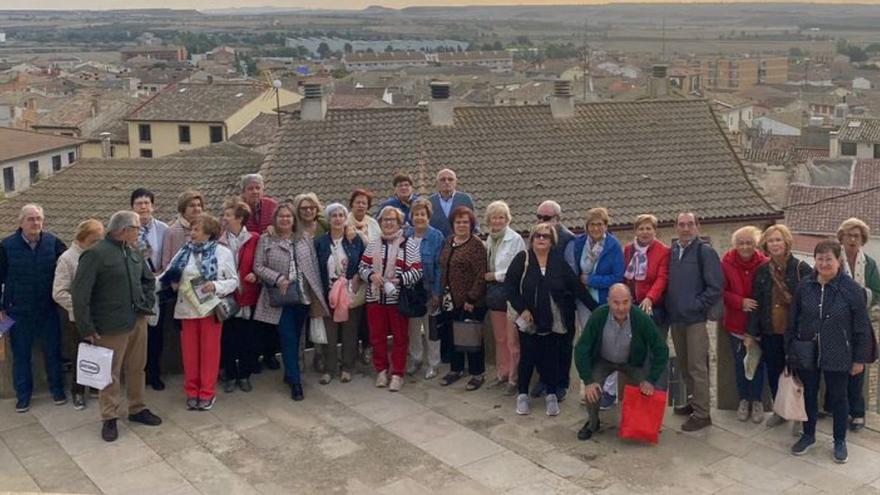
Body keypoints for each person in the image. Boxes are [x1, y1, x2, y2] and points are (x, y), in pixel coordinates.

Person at [72, 211, 161, 442]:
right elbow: (80, 295)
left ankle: (137, 408)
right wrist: (87, 327)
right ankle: (109, 417)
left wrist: (146, 302)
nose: (139, 232)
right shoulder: (95, 255)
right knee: (109, 374)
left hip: (137, 321)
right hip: (110, 326)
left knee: (137, 367)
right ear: (123, 229)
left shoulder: (133, 251)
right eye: (136, 228)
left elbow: (148, 280)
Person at [787, 240, 872, 464]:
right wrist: (791, 348)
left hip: (839, 352)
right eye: (820, 259)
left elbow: (862, 327)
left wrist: (859, 359)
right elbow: (793, 319)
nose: (824, 264)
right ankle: (808, 435)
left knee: (839, 398)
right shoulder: (805, 286)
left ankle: (839, 440)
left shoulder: (851, 289)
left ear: (839, 261)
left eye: (829, 259)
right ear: (814, 261)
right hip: (808, 351)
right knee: (809, 394)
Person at [506, 223, 598, 416]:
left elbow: (576, 287)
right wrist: (522, 309)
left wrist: (598, 309)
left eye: (545, 236)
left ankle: (551, 395)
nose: (541, 239)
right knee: (528, 358)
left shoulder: (557, 260)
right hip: (529, 320)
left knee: (550, 358)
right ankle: (522, 395)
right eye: (537, 235)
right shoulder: (522, 259)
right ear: (531, 239)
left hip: (553, 320)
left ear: (552, 241)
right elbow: (510, 288)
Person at [163, 213, 239, 410]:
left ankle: (207, 393)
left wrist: (214, 285)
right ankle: (191, 391)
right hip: (186, 310)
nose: (192, 233)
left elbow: (233, 281)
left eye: (196, 229)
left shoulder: (223, 253)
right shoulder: (183, 252)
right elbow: (167, 275)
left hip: (209, 310)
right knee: (189, 354)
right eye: (191, 230)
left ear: (208, 232)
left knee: (209, 353)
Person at [254, 203, 329, 401]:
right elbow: (258, 266)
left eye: (289, 216)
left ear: (294, 219)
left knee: (299, 337)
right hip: (281, 298)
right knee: (288, 338)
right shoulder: (266, 239)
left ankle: (291, 372)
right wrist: (277, 278)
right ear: (275, 220)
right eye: (281, 217)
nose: (285, 219)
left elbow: (312, 264)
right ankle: (296, 383)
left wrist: (317, 293)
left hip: (303, 296)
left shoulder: (304, 238)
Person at [575, 284, 668, 440]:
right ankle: (592, 423)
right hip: (604, 360)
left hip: (631, 362)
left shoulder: (641, 318)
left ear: (631, 301)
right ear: (608, 301)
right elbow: (581, 349)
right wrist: (588, 380)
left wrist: (650, 380)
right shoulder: (599, 315)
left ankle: (644, 424)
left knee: (649, 389)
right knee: (592, 390)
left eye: (625, 302)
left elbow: (661, 349)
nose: (621, 308)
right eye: (616, 303)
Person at [0, 204, 68, 413]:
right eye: (30, 219)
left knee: (53, 352)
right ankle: (23, 396)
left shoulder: (53, 242)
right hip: (18, 312)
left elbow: (69, 266)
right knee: (21, 356)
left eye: (38, 218)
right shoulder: (6, 246)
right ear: (21, 223)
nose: (35, 223)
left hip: (47, 309)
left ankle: (57, 390)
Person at [747, 224, 811, 428]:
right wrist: (751, 332)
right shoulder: (762, 271)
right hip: (771, 331)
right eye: (771, 241)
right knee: (774, 372)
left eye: (778, 240)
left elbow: (809, 302)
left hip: (795, 333)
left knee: (799, 375)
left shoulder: (801, 268)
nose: (775, 244)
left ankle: (801, 416)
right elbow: (756, 303)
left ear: (787, 242)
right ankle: (780, 411)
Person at [666, 212, 723, 432]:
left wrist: (695, 304)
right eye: (682, 225)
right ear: (676, 227)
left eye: (690, 224)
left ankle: (702, 414)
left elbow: (715, 287)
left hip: (695, 320)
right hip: (676, 318)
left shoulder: (705, 252)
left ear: (697, 226)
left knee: (697, 366)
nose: (686, 228)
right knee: (683, 364)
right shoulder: (672, 252)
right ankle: (693, 402)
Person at [564, 207, 624, 406]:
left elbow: (617, 277)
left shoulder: (613, 246)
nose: (596, 228)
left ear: (606, 226)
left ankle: (609, 392)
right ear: (587, 227)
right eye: (592, 224)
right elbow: (572, 271)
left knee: (609, 345)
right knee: (590, 344)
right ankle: (591, 387)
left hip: (605, 302)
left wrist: (591, 280)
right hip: (584, 303)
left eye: (600, 224)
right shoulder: (579, 243)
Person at [359, 206, 423, 392]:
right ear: (380, 223)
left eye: (392, 220)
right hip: (375, 298)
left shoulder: (408, 244)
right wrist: (371, 276)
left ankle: (397, 373)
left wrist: (399, 280)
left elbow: (417, 271)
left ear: (399, 223)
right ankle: (381, 370)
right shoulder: (373, 243)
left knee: (400, 337)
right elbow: (362, 266)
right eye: (385, 220)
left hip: (398, 299)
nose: (388, 223)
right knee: (376, 336)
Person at [52, 219, 105, 410]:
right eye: (95, 239)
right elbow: (58, 292)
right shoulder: (67, 259)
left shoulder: (95, 255)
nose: (100, 242)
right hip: (77, 317)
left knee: (97, 352)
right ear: (83, 238)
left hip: (97, 314)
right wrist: (79, 308)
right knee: (79, 354)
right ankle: (78, 391)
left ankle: (95, 387)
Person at [836, 218, 880, 432]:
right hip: (836, 324)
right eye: (849, 235)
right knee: (836, 368)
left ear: (862, 239)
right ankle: (836, 409)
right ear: (841, 238)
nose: (852, 239)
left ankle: (857, 412)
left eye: (857, 236)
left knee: (857, 368)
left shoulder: (869, 263)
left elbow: (877, 292)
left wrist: (857, 298)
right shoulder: (835, 260)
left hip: (860, 324)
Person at [721, 226, 768, 423]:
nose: (745, 246)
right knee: (741, 364)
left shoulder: (765, 263)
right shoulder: (726, 262)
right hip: (736, 323)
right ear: (735, 245)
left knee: (758, 365)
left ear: (755, 244)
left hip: (759, 325)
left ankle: (757, 401)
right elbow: (721, 291)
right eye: (741, 243)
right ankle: (743, 400)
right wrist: (739, 301)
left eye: (749, 242)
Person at [438, 206, 488, 391]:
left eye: (465, 222)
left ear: (471, 224)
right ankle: (455, 369)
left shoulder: (476, 245)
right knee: (452, 336)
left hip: (469, 301)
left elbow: (481, 274)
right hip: (449, 299)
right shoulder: (449, 241)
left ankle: (477, 373)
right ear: (452, 224)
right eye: (458, 222)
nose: (461, 225)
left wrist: (472, 299)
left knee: (471, 338)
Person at [315, 203, 365, 384]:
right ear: (328, 220)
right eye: (333, 215)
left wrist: (358, 276)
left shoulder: (354, 239)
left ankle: (347, 367)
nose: (337, 218)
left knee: (350, 332)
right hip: (328, 294)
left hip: (350, 293)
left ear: (345, 219)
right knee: (330, 333)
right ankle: (329, 369)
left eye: (340, 215)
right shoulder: (320, 242)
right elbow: (316, 268)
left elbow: (363, 261)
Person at [484, 200, 526, 395]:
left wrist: (494, 276)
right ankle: (502, 372)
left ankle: (514, 378)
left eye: (501, 217)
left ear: (507, 219)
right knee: (499, 338)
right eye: (494, 217)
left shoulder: (515, 239)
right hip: (494, 295)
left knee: (512, 341)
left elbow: (517, 268)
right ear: (489, 220)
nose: (498, 220)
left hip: (510, 295)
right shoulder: (489, 239)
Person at [218, 199, 260, 393]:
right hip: (226, 297)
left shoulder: (254, 239)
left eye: (228, 215)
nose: (224, 218)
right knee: (227, 338)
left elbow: (261, 262)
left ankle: (244, 375)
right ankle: (230, 374)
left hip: (247, 296)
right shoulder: (219, 240)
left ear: (240, 218)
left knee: (247, 338)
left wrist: (257, 275)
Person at [132, 188, 169, 391]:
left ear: (153, 206)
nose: (143, 207)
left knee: (156, 333)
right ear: (133, 207)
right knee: (137, 336)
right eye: (139, 204)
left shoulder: (163, 229)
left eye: (147, 203)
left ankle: (155, 373)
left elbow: (167, 255)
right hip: (136, 289)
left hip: (156, 286)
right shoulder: (127, 230)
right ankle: (139, 375)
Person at [406, 198, 445, 379]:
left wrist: (437, 292)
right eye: (416, 214)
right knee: (413, 329)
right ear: (411, 217)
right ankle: (416, 359)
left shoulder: (436, 236)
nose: (419, 218)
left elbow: (439, 267)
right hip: (411, 292)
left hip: (429, 291)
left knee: (432, 330)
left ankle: (433, 363)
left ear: (428, 216)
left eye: (423, 214)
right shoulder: (406, 235)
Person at [428, 168, 476, 238]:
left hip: (461, 244)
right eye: (442, 179)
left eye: (450, 179)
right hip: (436, 245)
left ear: (456, 182)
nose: (447, 182)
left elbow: (473, 224)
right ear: (437, 183)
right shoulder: (430, 202)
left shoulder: (465, 199)